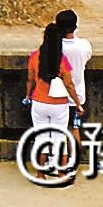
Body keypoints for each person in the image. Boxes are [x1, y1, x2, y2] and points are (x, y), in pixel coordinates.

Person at [26, 17, 82, 175]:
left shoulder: (34, 56)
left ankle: (40, 174)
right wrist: (77, 104)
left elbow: (30, 79)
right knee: (60, 139)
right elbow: (69, 85)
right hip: (59, 105)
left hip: (39, 102)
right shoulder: (62, 60)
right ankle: (62, 174)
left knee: (41, 139)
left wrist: (28, 95)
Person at [57, 9, 92, 126]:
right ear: (76, 26)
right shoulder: (84, 45)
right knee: (74, 129)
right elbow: (87, 58)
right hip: (78, 97)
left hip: (56, 98)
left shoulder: (54, 47)